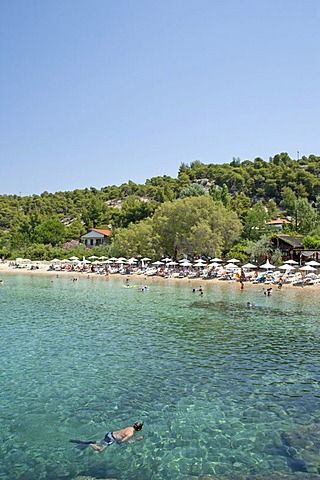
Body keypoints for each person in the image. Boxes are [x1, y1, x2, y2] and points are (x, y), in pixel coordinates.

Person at [70, 422, 144, 452]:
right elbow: (121, 441)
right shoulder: (130, 433)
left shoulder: (129, 428)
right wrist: (131, 442)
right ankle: (90, 444)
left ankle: (90, 442)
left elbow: (124, 435)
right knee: (101, 450)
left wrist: (137, 439)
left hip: (109, 434)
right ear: (139, 429)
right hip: (111, 439)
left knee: (102, 442)